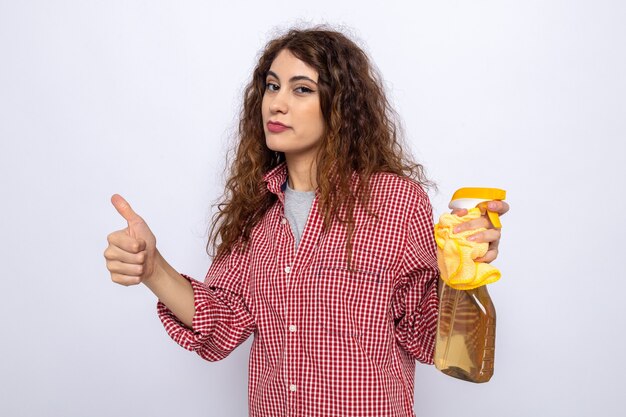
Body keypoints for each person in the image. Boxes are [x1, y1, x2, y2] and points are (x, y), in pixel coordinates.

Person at [104, 26, 509, 417]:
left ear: (341, 106)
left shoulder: (394, 201)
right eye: (272, 85)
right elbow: (222, 321)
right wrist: (153, 269)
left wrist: (463, 268)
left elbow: (426, 336)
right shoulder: (256, 216)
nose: (277, 103)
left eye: (302, 89)